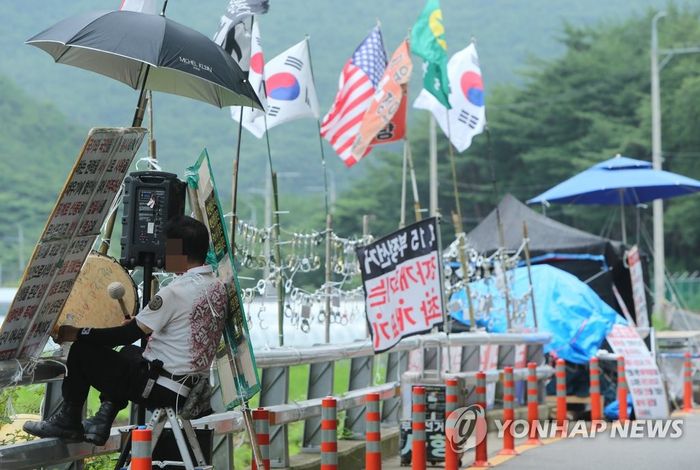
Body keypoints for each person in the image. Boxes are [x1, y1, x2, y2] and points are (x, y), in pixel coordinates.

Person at [24, 215, 227, 445]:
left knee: (82, 350)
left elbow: (123, 336)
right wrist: (139, 327)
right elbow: (183, 328)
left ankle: (68, 421)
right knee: (131, 352)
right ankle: (102, 421)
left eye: (168, 248)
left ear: (180, 252)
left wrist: (77, 333)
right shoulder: (216, 287)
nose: (164, 254)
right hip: (191, 389)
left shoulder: (175, 291)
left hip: (161, 388)